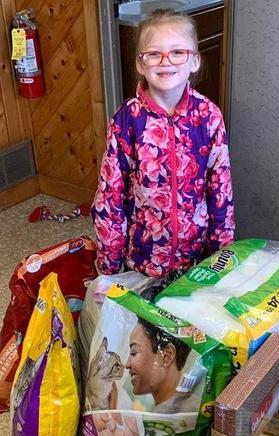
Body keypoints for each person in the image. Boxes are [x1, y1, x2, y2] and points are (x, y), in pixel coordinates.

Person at [92, 8, 235, 278]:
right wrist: (109, 270)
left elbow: (221, 193)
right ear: (140, 64)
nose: (165, 61)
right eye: (154, 53)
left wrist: (220, 259)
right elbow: (110, 197)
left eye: (178, 52)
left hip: (196, 262)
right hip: (142, 262)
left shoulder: (209, 116)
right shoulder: (126, 120)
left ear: (195, 61)